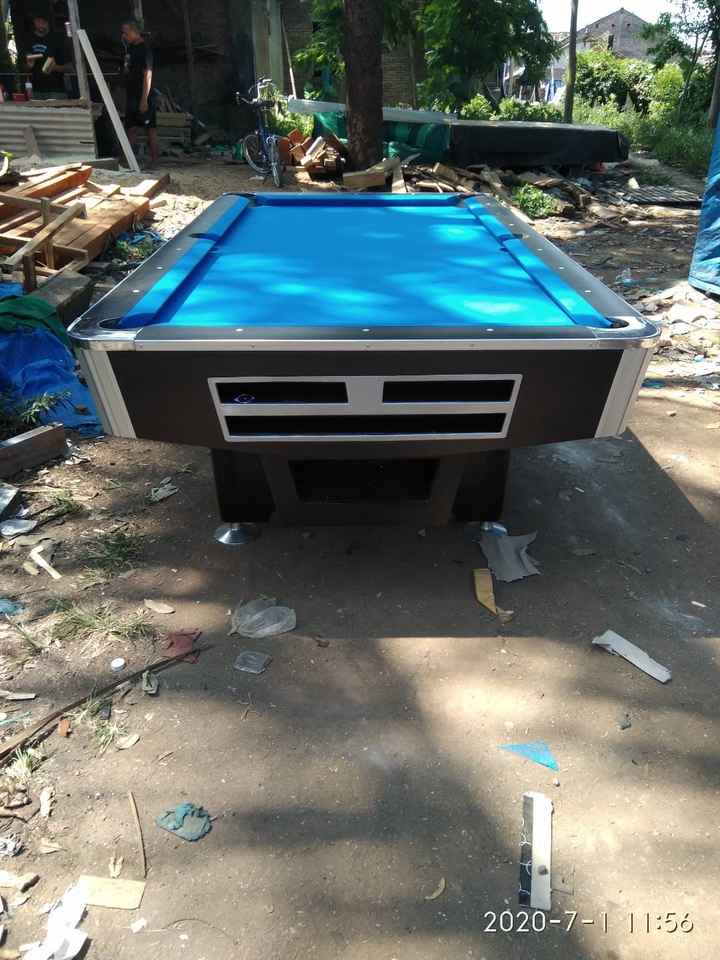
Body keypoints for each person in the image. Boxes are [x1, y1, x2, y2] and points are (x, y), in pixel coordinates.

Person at [121, 19, 159, 167]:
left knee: (150, 128)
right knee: (131, 127)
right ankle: (127, 161)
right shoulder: (130, 48)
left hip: (144, 95)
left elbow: (147, 74)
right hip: (132, 94)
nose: (123, 36)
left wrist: (144, 99)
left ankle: (154, 160)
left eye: (125, 33)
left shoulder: (145, 49)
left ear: (133, 32)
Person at [24, 13, 71, 99]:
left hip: (56, 90)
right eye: (38, 21)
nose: (41, 25)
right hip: (36, 90)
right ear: (34, 22)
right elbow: (24, 68)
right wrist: (28, 65)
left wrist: (55, 68)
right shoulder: (28, 39)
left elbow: (70, 67)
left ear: (48, 22)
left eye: (44, 22)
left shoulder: (57, 39)